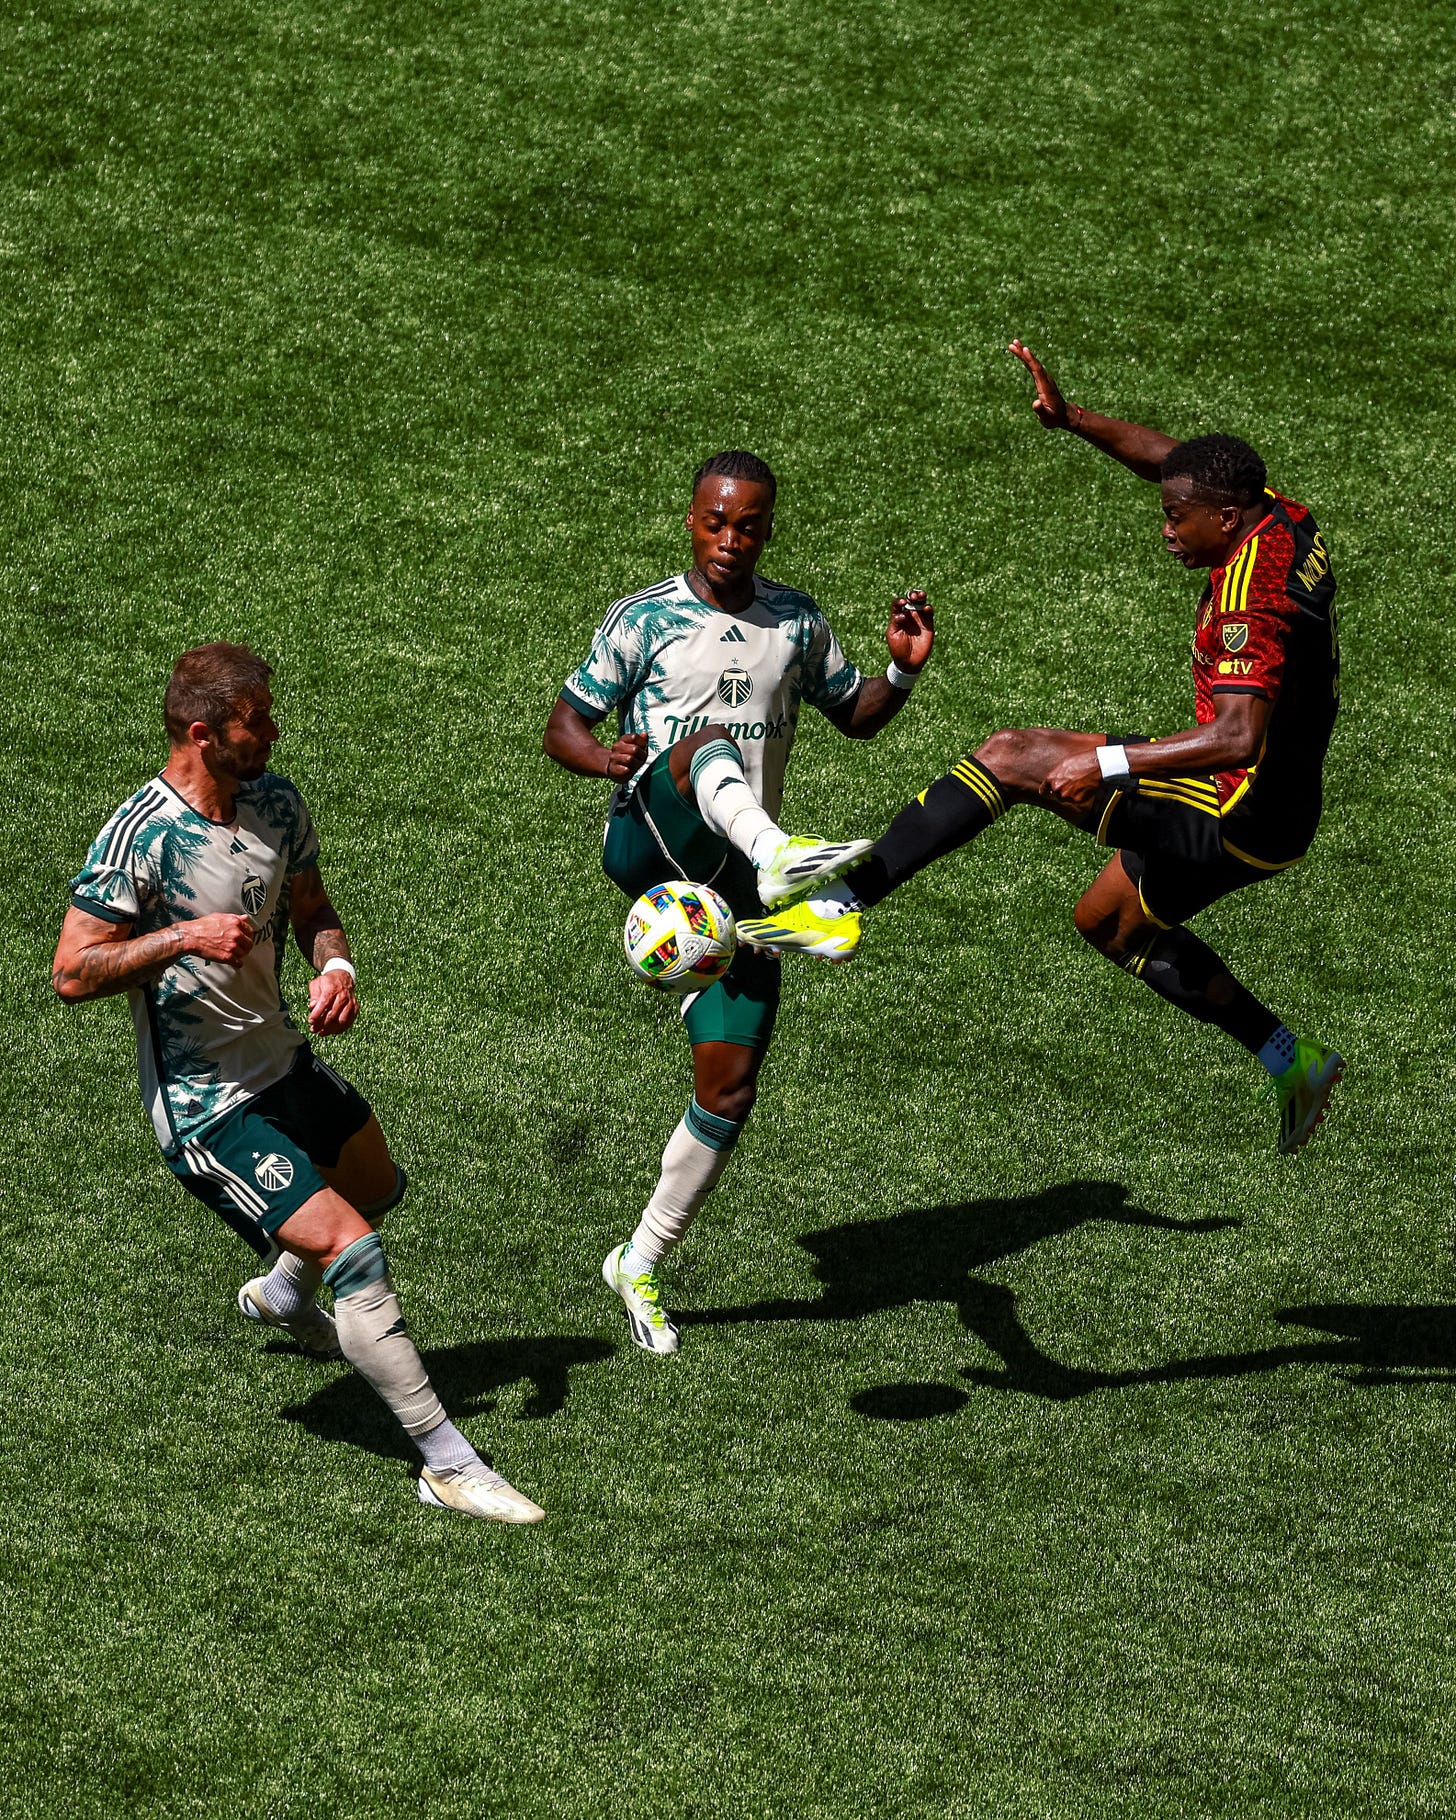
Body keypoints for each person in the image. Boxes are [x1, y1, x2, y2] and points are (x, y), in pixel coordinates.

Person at [741, 345, 1343, 1156]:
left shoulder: (1248, 598)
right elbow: (1178, 462)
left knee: (1013, 754)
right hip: (1278, 802)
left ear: (1225, 521)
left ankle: (838, 909)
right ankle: (1293, 1060)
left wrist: (1109, 764)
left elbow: (1237, 734)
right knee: (1110, 925)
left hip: (1241, 800)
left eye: (1177, 519)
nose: (1165, 529)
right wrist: (1076, 420)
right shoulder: (1275, 512)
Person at [52, 642, 543, 1522]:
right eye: (256, 722)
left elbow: (312, 910)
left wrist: (337, 969)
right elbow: (73, 971)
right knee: (352, 1248)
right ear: (203, 735)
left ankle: (281, 1294)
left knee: (375, 1183)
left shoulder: (276, 802)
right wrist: (180, 939)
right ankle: (445, 1460)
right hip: (207, 1106)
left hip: (283, 1062)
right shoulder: (141, 836)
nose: (274, 732)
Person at [544, 450, 934, 1353]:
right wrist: (598, 757)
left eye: (748, 525)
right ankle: (781, 858)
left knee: (729, 1088)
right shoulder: (645, 620)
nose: (730, 540)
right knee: (704, 744)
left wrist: (903, 671)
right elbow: (565, 721)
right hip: (652, 848)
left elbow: (858, 714)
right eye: (715, 521)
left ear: (767, 528)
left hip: (726, 903)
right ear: (690, 519)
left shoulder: (794, 622)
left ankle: (636, 1260)